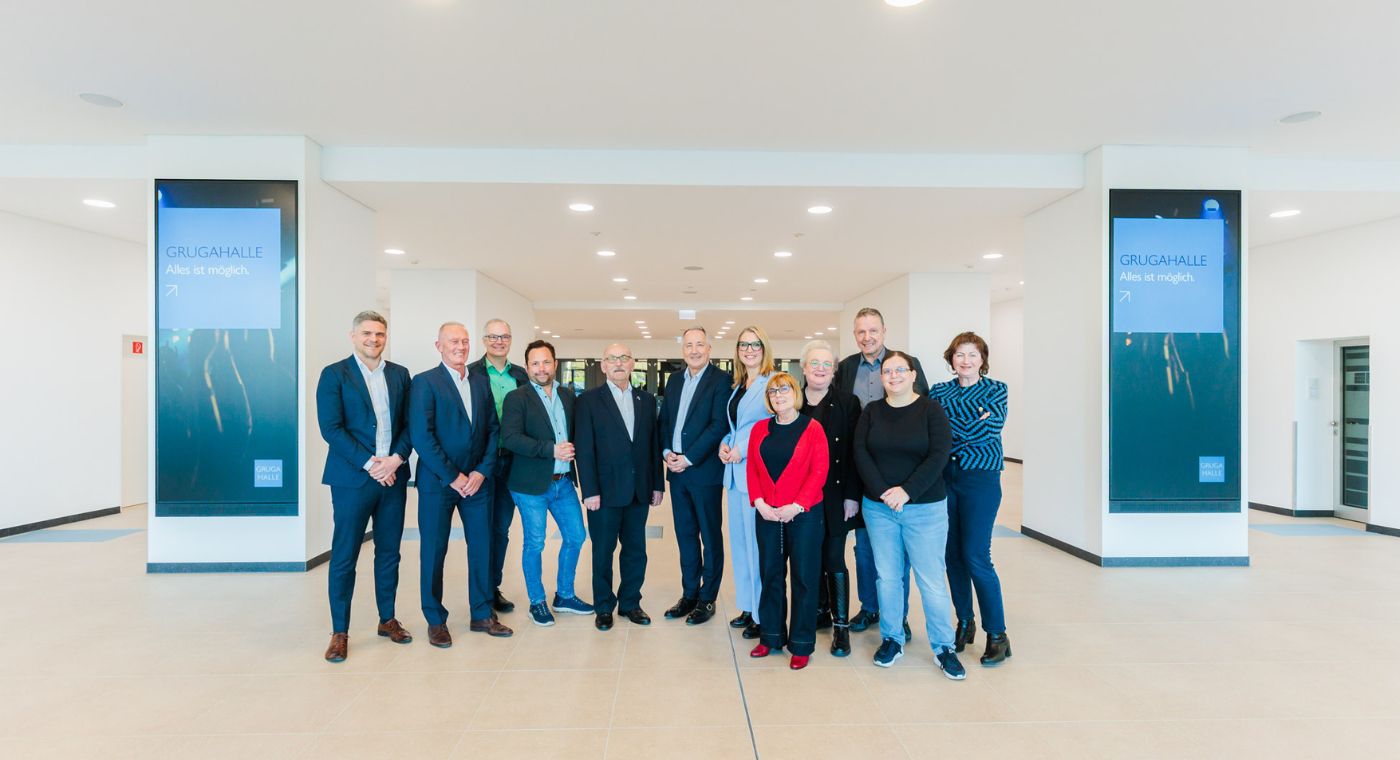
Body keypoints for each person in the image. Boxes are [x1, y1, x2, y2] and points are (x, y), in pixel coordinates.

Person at [853, 350, 965, 680]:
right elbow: (860, 452)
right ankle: (892, 638)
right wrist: (884, 493)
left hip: (925, 509)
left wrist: (907, 491)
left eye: (901, 370)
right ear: (881, 377)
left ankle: (944, 646)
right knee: (887, 577)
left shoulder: (931, 409)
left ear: (913, 374)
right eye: (888, 371)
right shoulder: (872, 411)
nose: (894, 375)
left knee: (930, 580)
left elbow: (939, 453)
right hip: (880, 509)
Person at [315, 310, 414, 663]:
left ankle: (387, 620)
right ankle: (339, 631)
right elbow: (331, 429)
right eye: (367, 333)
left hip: (394, 477)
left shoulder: (400, 375)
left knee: (389, 553)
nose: (374, 339)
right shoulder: (334, 375)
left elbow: (409, 425)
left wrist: (396, 460)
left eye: (380, 334)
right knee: (344, 556)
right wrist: (373, 464)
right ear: (353, 336)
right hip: (353, 479)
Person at [409, 322, 512, 646]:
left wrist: (481, 472)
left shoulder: (480, 382)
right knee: (434, 550)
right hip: (439, 483)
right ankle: (435, 619)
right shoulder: (425, 382)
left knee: (482, 547)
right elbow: (422, 437)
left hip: (478, 484)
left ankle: (482, 614)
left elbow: (493, 429)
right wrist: (454, 476)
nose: (461, 346)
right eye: (454, 341)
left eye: (465, 342)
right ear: (438, 345)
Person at [834, 306, 924, 639]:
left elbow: (921, 410)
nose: (867, 337)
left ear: (884, 332)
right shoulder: (845, 368)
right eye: (861, 332)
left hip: (898, 473)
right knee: (864, 546)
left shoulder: (904, 365)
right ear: (855, 335)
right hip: (859, 469)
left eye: (873, 331)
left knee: (896, 551)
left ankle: (897, 616)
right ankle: (870, 606)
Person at [930, 332, 1012, 665]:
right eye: (959, 355)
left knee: (976, 555)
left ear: (983, 359)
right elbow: (937, 434)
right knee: (952, 555)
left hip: (981, 480)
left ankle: (998, 634)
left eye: (972, 355)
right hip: (946, 481)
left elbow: (989, 430)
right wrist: (970, 422)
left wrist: (953, 428)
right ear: (951, 359)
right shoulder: (938, 391)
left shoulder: (997, 390)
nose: (965, 360)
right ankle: (964, 622)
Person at [499, 339, 593, 627]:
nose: (541, 368)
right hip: (530, 485)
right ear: (527, 367)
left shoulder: (567, 396)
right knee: (535, 543)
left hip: (563, 482)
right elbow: (512, 439)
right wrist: (551, 449)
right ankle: (537, 601)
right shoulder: (517, 398)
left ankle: (564, 595)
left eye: (546, 362)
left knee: (576, 536)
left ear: (555, 363)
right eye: (535, 363)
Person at [574, 343, 664, 632]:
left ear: (632, 363)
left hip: (639, 490)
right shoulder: (588, 401)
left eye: (624, 358)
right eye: (612, 359)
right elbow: (585, 449)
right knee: (603, 551)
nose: (618, 363)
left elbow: (653, 445)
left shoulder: (646, 400)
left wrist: (657, 485)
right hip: (604, 492)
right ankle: (603, 606)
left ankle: (630, 603)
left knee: (636, 550)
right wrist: (589, 491)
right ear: (603, 365)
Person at [745, 373, 830, 670]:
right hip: (767, 513)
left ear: (795, 393)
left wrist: (797, 505)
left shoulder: (813, 428)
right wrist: (759, 502)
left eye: (784, 389)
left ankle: (802, 643)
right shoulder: (759, 429)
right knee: (770, 574)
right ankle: (770, 635)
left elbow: (819, 471)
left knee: (804, 579)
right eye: (773, 391)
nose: (778, 394)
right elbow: (753, 470)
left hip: (803, 514)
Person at [657, 326, 731, 625]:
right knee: (685, 536)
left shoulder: (722, 380)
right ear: (682, 349)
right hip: (677, 473)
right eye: (689, 345)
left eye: (700, 344)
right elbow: (665, 421)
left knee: (710, 537)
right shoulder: (674, 380)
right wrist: (666, 453)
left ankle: (707, 598)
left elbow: (718, 426)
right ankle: (689, 594)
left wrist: (688, 458)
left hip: (704, 472)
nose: (695, 350)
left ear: (709, 348)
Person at [798, 339, 863, 657]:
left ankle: (841, 628)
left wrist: (852, 494)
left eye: (827, 364)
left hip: (836, 494)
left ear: (834, 370)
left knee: (834, 558)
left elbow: (854, 454)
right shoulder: (791, 400)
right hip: (799, 497)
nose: (820, 369)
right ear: (804, 367)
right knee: (808, 558)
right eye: (814, 363)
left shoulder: (848, 403)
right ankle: (817, 612)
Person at [468, 318, 530, 615]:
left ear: (510, 340)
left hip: (513, 461)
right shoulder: (471, 374)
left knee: (501, 528)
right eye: (492, 337)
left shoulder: (521, 375)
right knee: (483, 529)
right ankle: (480, 593)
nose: (498, 341)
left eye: (504, 336)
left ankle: (492, 588)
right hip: (482, 462)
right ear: (484, 341)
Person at [718, 326, 775, 640]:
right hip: (734, 472)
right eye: (744, 344)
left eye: (755, 344)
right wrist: (725, 444)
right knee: (740, 544)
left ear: (764, 348)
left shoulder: (772, 382)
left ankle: (763, 611)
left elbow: (773, 423)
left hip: (756, 474)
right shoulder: (738, 384)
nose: (749, 349)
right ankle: (748, 606)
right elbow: (736, 425)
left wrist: (744, 447)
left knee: (757, 546)